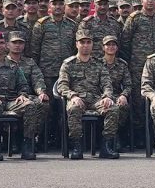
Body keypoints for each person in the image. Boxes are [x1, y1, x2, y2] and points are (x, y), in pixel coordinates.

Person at [0, 31, 44, 161]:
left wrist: (22, 95)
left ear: (5, 46)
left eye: (2, 43)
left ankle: (27, 145)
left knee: (30, 106)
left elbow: (23, 85)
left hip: (11, 101)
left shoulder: (13, 66)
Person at [53, 30, 124, 159]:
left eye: (88, 42)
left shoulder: (98, 64)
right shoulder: (68, 64)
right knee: (73, 109)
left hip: (95, 99)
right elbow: (62, 85)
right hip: (77, 98)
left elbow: (107, 84)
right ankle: (76, 146)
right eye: (82, 42)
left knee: (113, 108)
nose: (85, 45)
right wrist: (72, 96)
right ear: (76, 44)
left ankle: (106, 146)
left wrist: (107, 96)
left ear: (92, 45)